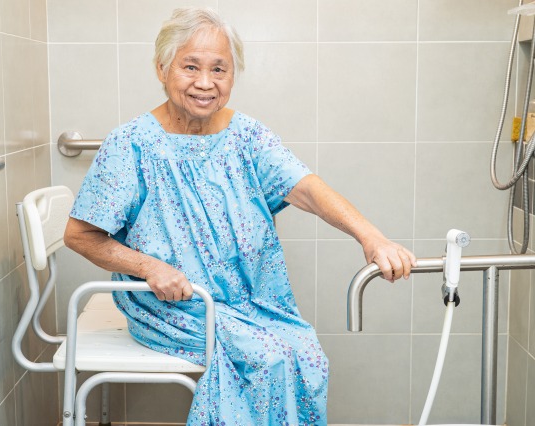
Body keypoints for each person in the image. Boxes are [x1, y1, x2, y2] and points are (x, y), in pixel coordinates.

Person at [64, 7, 417, 425]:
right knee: (266, 362)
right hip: (174, 305)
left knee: (308, 355)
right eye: (190, 66)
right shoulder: (131, 144)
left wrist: (371, 237)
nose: (205, 82)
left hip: (254, 302)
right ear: (162, 68)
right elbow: (80, 235)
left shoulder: (247, 135)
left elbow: (305, 187)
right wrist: (148, 267)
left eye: (220, 69)